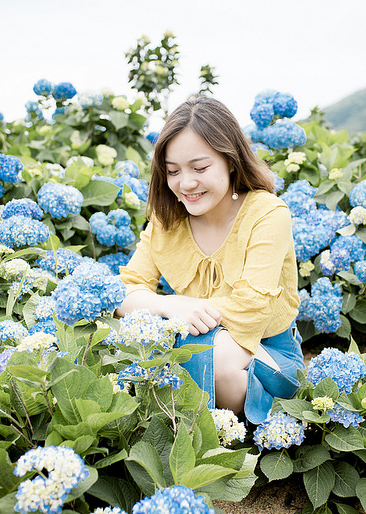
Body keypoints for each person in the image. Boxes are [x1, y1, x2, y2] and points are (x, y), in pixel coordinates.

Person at [117, 96, 303, 424]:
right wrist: (172, 306)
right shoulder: (166, 220)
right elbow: (123, 292)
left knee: (208, 360)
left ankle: (254, 433)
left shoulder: (267, 213)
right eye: (172, 171)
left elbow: (249, 311)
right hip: (197, 336)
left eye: (200, 168)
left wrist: (176, 325)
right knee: (173, 353)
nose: (185, 184)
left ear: (230, 160)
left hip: (267, 349)